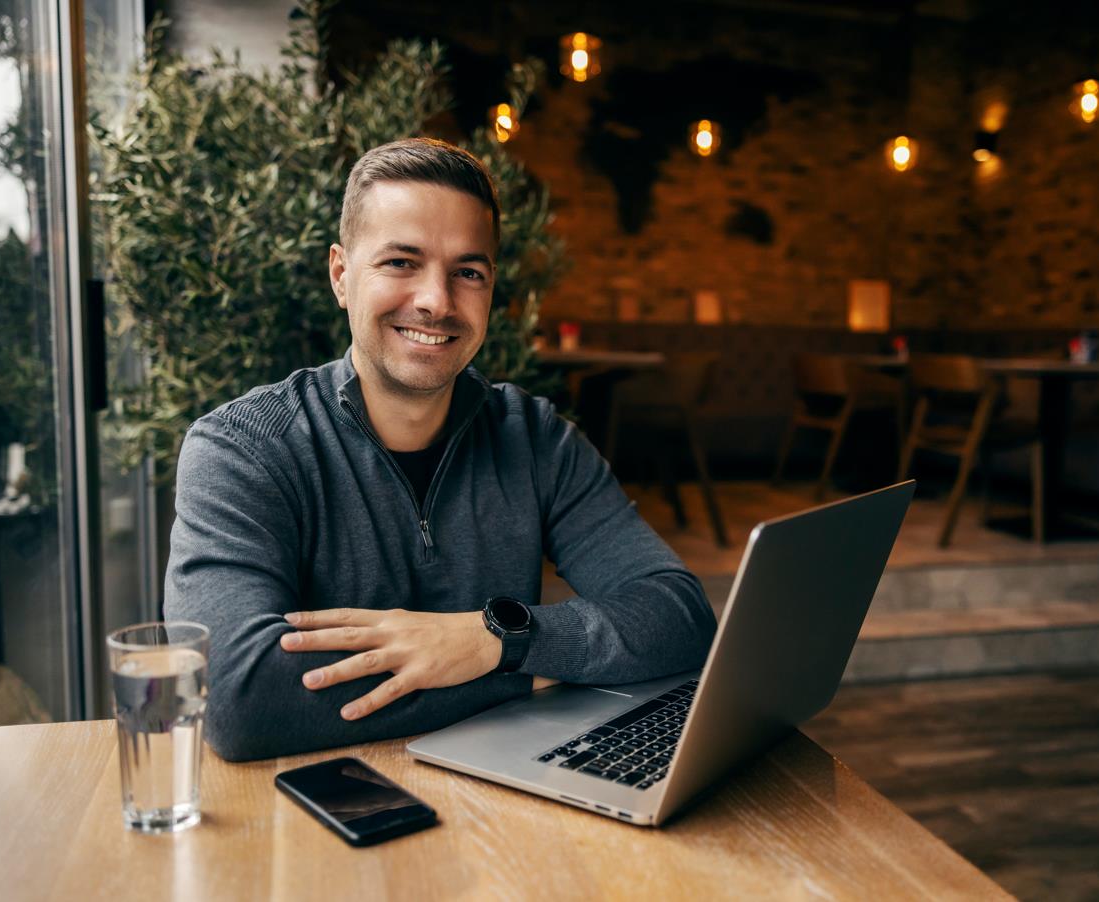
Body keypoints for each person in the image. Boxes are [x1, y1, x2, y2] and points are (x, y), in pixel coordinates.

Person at [164, 138, 716, 762]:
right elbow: (236, 698)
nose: (437, 300)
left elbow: (678, 616)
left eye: (468, 272)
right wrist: (526, 674)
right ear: (341, 275)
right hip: (313, 816)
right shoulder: (243, 448)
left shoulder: (535, 438)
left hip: (504, 807)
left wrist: (493, 639)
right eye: (401, 262)